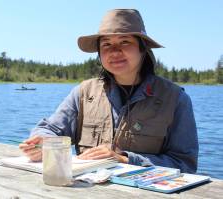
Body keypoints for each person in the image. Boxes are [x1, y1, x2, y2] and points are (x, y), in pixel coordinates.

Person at [19, 9, 198, 173]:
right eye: (106, 45)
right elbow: (49, 129)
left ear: (143, 49)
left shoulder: (175, 99)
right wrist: (43, 143)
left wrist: (125, 159)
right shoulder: (83, 93)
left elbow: (185, 164)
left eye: (125, 42)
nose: (114, 52)